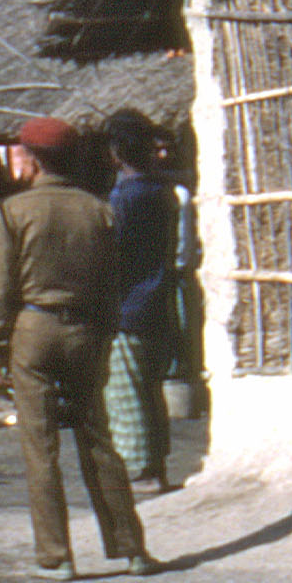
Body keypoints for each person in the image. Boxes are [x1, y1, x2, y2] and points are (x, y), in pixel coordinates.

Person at [0, 116, 154, 580]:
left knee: (41, 451)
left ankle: (56, 557)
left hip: (34, 330)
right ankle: (132, 549)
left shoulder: (14, 210)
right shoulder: (98, 209)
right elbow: (112, 282)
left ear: (31, 158)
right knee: (98, 440)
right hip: (86, 331)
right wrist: (104, 332)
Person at [102, 111, 186, 494]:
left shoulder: (125, 199)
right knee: (150, 390)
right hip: (158, 300)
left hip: (127, 305)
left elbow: (112, 252)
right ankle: (156, 466)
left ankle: (141, 471)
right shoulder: (163, 192)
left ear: (116, 153)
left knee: (127, 394)